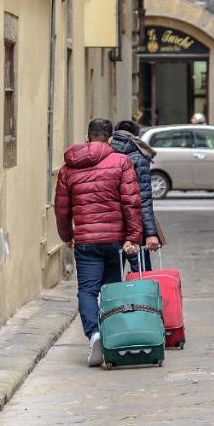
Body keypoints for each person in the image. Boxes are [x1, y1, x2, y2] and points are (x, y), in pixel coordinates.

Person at [55, 118, 143, 366]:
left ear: (87, 137)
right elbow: (131, 203)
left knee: (87, 290)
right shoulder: (121, 162)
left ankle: (93, 334)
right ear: (110, 139)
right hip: (115, 240)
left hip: (85, 240)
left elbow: (62, 209)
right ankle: (111, 337)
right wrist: (133, 237)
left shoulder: (68, 168)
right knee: (111, 291)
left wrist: (67, 236)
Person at [110, 120, 161, 271]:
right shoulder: (139, 155)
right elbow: (144, 199)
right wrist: (151, 233)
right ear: (136, 136)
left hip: (110, 225)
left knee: (112, 277)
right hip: (135, 226)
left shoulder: (105, 153)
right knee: (141, 274)